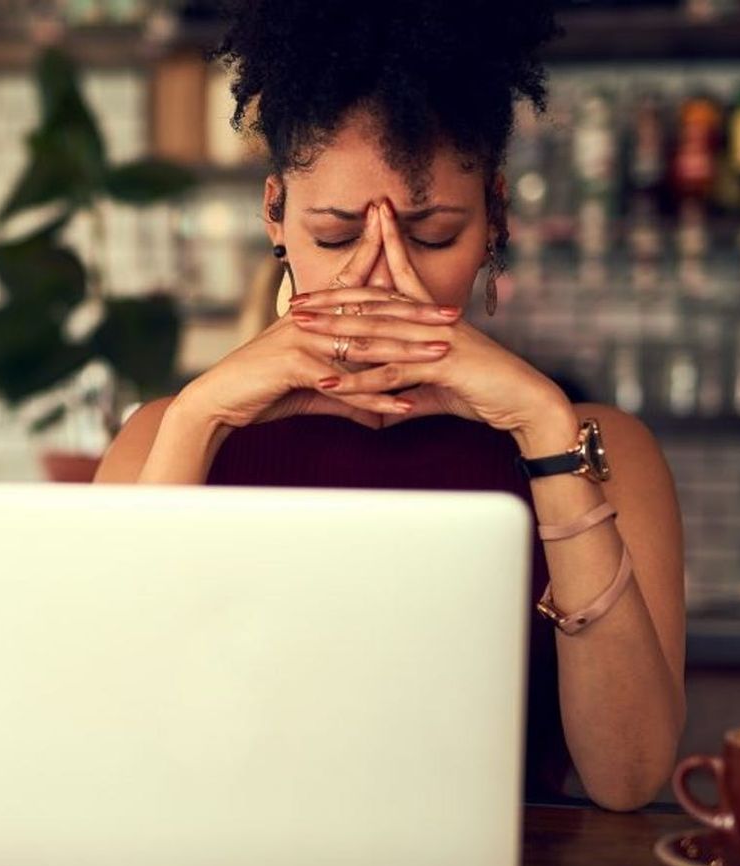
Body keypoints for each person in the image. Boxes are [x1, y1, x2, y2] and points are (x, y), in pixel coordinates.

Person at [94, 0, 685, 811]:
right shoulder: (166, 435)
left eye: (433, 235)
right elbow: (106, 735)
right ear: (274, 213)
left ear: (496, 220)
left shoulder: (600, 448)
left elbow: (630, 778)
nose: (379, 277)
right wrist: (197, 421)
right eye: (337, 236)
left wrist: (546, 434)